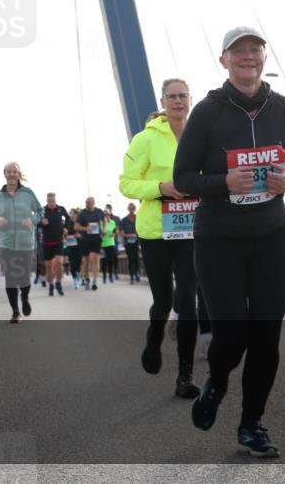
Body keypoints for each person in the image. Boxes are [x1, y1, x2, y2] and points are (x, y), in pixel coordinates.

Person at [175, 27, 285, 458]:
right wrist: (223, 182)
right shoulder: (207, 112)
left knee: (266, 338)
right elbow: (183, 179)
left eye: (255, 50)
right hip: (219, 239)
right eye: (239, 53)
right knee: (232, 337)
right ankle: (217, 383)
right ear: (224, 62)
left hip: (272, 235)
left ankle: (251, 424)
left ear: (264, 57)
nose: (248, 58)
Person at [120, 79, 202, 400]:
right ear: (163, 101)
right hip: (155, 230)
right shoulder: (145, 139)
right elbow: (127, 184)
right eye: (173, 96)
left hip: (191, 229)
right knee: (164, 302)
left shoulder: (202, 136)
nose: (178, 101)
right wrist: (160, 188)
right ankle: (154, 338)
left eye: (183, 96)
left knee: (187, 303)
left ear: (190, 100)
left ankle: (185, 376)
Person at [0, 163, 43, 322]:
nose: (12, 174)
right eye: (9, 171)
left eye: (14, 171)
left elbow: (40, 211)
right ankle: (15, 311)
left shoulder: (28, 193)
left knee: (24, 276)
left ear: (18, 174)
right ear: (4, 174)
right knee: (10, 278)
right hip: (6, 243)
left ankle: (25, 298)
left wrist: (32, 219)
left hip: (25, 242)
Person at [39, 193, 71, 296]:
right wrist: (41, 223)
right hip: (46, 242)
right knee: (48, 266)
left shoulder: (61, 209)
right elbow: (36, 223)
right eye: (50, 201)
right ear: (47, 201)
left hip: (58, 241)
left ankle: (58, 283)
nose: (52, 203)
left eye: (53, 201)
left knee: (59, 262)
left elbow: (68, 219)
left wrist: (66, 227)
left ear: (55, 200)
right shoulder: (42, 211)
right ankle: (51, 285)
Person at [74, 197, 105, 290]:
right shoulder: (82, 213)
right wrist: (85, 229)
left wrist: (104, 228)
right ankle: (87, 278)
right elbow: (76, 226)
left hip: (96, 239)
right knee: (86, 261)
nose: (87, 204)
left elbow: (104, 220)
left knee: (95, 258)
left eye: (89, 202)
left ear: (93, 203)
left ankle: (94, 281)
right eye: (86, 202)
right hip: (85, 239)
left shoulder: (99, 211)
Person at [120, 203, 140, 283]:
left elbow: (142, 229)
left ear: (135, 209)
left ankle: (137, 273)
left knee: (136, 258)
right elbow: (120, 231)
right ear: (128, 209)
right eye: (130, 208)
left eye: (133, 208)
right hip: (127, 242)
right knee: (130, 258)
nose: (131, 210)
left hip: (136, 241)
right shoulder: (124, 220)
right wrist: (126, 235)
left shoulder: (138, 218)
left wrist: (136, 235)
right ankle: (132, 276)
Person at [100, 204, 118, 285]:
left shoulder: (113, 222)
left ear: (110, 215)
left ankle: (110, 275)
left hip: (111, 243)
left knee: (110, 260)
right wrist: (102, 233)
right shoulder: (101, 223)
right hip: (102, 244)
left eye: (107, 214)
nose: (106, 216)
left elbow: (115, 230)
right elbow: (99, 233)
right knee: (103, 261)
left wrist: (114, 234)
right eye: (104, 214)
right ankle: (104, 276)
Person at [65, 208, 83, 289]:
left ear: (76, 214)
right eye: (70, 213)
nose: (70, 214)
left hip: (79, 245)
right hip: (70, 245)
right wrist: (64, 234)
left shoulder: (80, 222)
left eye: (72, 213)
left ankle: (79, 275)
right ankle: (75, 279)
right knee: (72, 263)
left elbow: (85, 232)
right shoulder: (67, 223)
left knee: (78, 262)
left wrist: (80, 235)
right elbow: (63, 231)